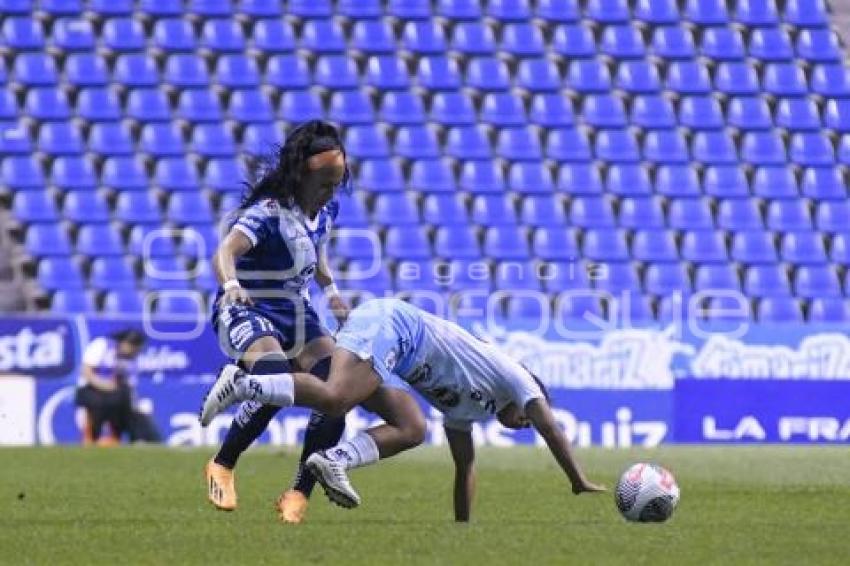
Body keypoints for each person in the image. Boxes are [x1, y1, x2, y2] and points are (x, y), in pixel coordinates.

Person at [200, 298, 605, 520]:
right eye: (527, 420)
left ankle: (335, 459)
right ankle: (243, 383)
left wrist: (463, 529)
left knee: (413, 428)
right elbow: (551, 428)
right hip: (396, 326)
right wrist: (577, 479)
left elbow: (465, 467)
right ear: (530, 401)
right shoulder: (515, 377)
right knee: (336, 396)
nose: (524, 426)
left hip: (397, 356)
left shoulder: (471, 411)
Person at [204, 120, 418, 522]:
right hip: (249, 307)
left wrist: (333, 292)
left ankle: (298, 491)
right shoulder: (267, 213)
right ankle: (223, 462)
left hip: (297, 314)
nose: (330, 192)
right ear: (301, 174)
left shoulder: (325, 211)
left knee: (337, 392)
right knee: (274, 378)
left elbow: (316, 256)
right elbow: (224, 252)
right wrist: (231, 284)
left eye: (336, 184)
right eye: (324, 183)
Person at [75, 329, 160, 444]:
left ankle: (129, 438)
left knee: (130, 407)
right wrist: (104, 385)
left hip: (115, 394)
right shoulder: (101, 345)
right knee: (99, 403)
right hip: (91, 389)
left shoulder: (131, 362)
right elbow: (86, 372)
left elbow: (129, 385)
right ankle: (91, 437)